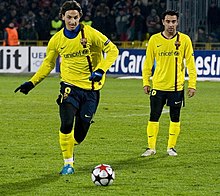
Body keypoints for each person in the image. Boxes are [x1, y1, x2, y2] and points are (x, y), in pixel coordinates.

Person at [15, 0, 119, 175]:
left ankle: (69, 146)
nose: (72, 21)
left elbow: (113, 50)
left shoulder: (91, 34)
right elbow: (48, 64)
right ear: (62, 17)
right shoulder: (57, 40)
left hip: (91, 90)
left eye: (76, 17)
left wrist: (101, 70)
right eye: (69, 17)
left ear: (80, 18)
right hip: (69, 87)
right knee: (67, 123)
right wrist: (32, 82)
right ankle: (68, 164)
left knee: (79, 135)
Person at [141, 10, 197, 157]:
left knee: (175, 117)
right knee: (154, 116)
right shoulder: (154, 40)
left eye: (173, 21)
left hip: (176, 87)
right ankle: (151, 148)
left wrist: (192, 84)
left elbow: (191, 64)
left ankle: (171, 147)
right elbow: (147, 63)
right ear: (163, 22)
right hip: (158, 86)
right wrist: (146, 82)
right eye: (168, 21)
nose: (171, 24)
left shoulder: (184, 40)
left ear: (177, 22)